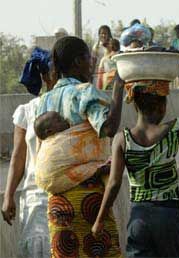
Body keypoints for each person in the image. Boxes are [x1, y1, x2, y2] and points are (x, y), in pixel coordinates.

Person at [91, 54, 179, 258]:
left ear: (135, 105)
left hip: (139, 218)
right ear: (162, 107)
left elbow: (114, 183)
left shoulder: (122, 139)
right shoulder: (172, 129)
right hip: (169, 216)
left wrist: (99, 220)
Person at [35, 36, 124, 258]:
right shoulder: (84, 92)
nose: (92, 63)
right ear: (77, 62)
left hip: (57, 203)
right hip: (88, 198)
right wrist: (119, 89)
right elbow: (108, 128)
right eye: (88, 58)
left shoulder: (45, 100)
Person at [1, 49, 56, 258]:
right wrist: (8, 195)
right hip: (35, 197)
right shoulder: (27, 110)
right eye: (54, 71)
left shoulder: (71, 104)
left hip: (64, 192)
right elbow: (18, 157)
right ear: (44, 76)